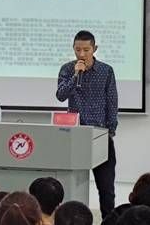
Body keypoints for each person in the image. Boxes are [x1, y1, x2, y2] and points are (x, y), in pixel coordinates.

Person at [56, 30, 118, 219]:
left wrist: (111, 130)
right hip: (74, 136)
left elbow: (112, 101)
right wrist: (76, 76)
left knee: (106, 188)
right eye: (77, 50)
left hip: (100, 134)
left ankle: (108, 221)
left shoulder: (106, 71)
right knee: (72, 184)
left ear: (94, 49)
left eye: (86, 50)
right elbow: (60, 95)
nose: (81, 54)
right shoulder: (67, 69)